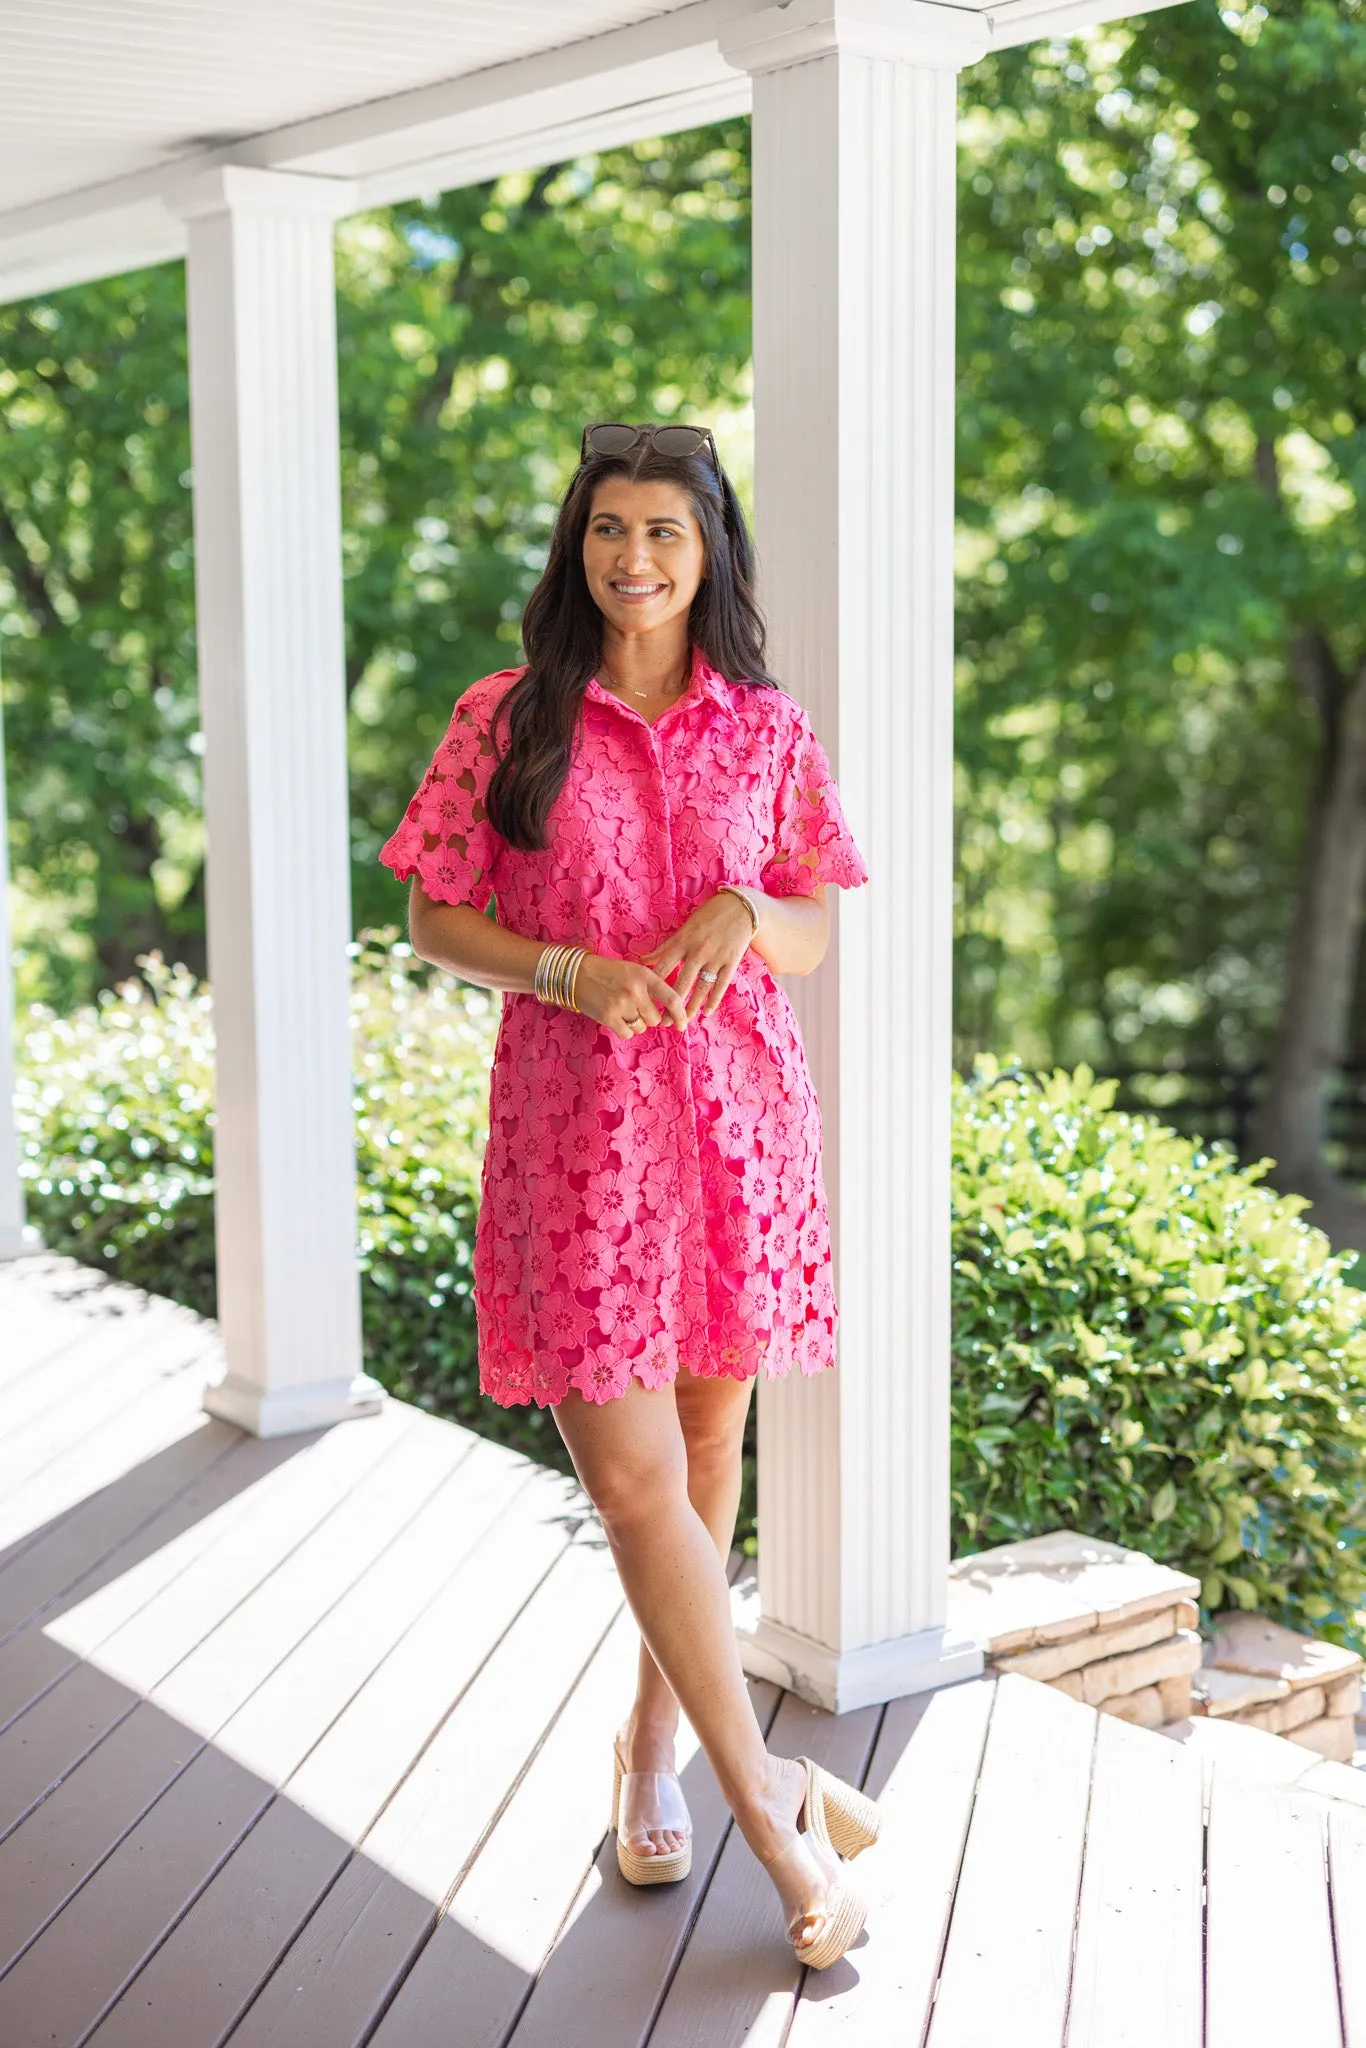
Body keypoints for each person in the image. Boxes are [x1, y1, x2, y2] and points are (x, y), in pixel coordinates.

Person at [380, 421, 881, 1968]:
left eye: (667, 532)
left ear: (708, 550)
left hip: (736, 1130)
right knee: (627, 1481)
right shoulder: (506, 716)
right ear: (576, 545)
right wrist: (564, 970)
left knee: (714, 1441)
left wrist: (745, 902)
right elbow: (430, 911)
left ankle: (650, 1751)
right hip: (578, 1134)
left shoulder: (764, 728)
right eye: (609, 529)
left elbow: (807, 924)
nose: (635, 559)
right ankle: (775, 1820)